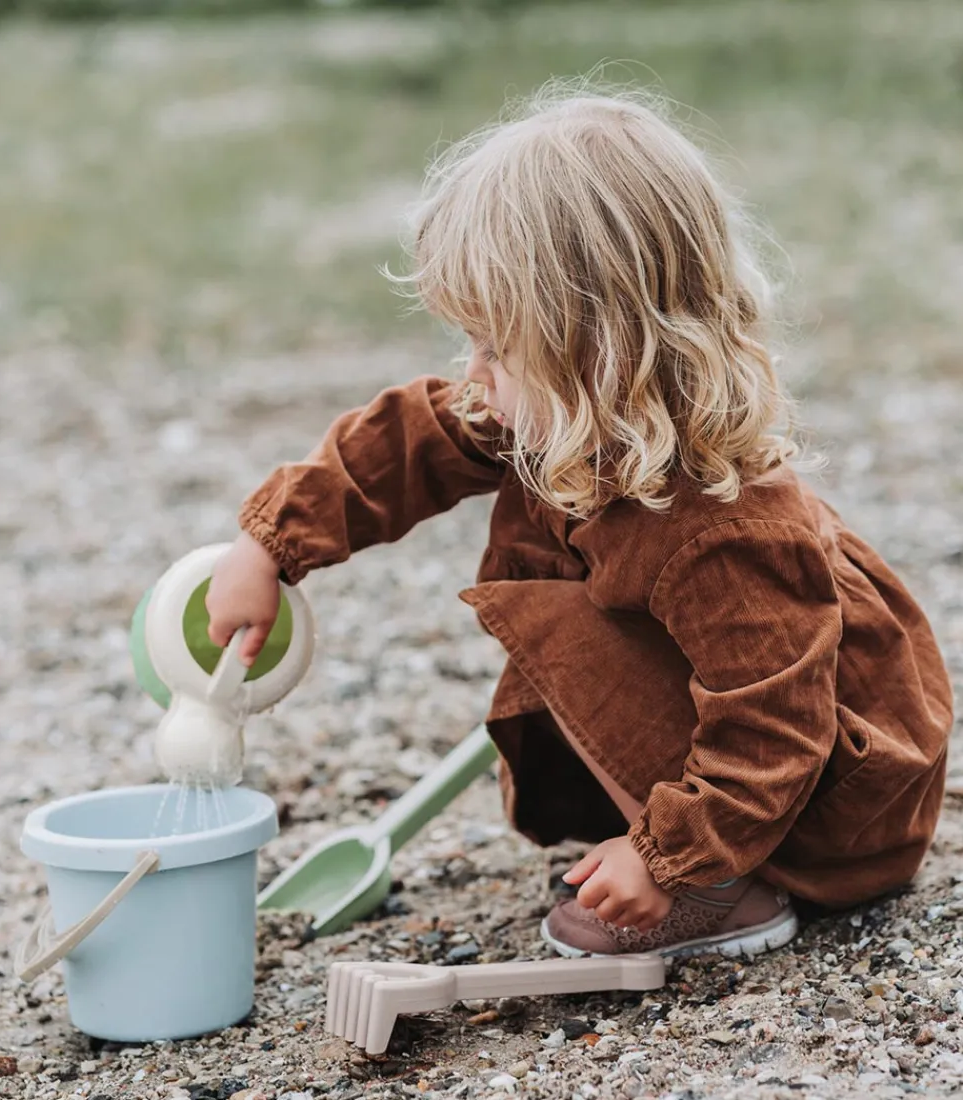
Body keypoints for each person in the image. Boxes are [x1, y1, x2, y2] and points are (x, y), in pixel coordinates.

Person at [205, 83, 953, 960]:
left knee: (555, 625)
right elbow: (411, 439)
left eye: (499, 349)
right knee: (551, 612)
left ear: (600, 349)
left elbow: (774, 729)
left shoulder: (726, 528)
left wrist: (667, 861)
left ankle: (724, 887)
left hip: (827, 805)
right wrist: (270, 541)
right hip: (768, 760)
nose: (474, 375)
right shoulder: (569, 412)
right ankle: (680, 834)